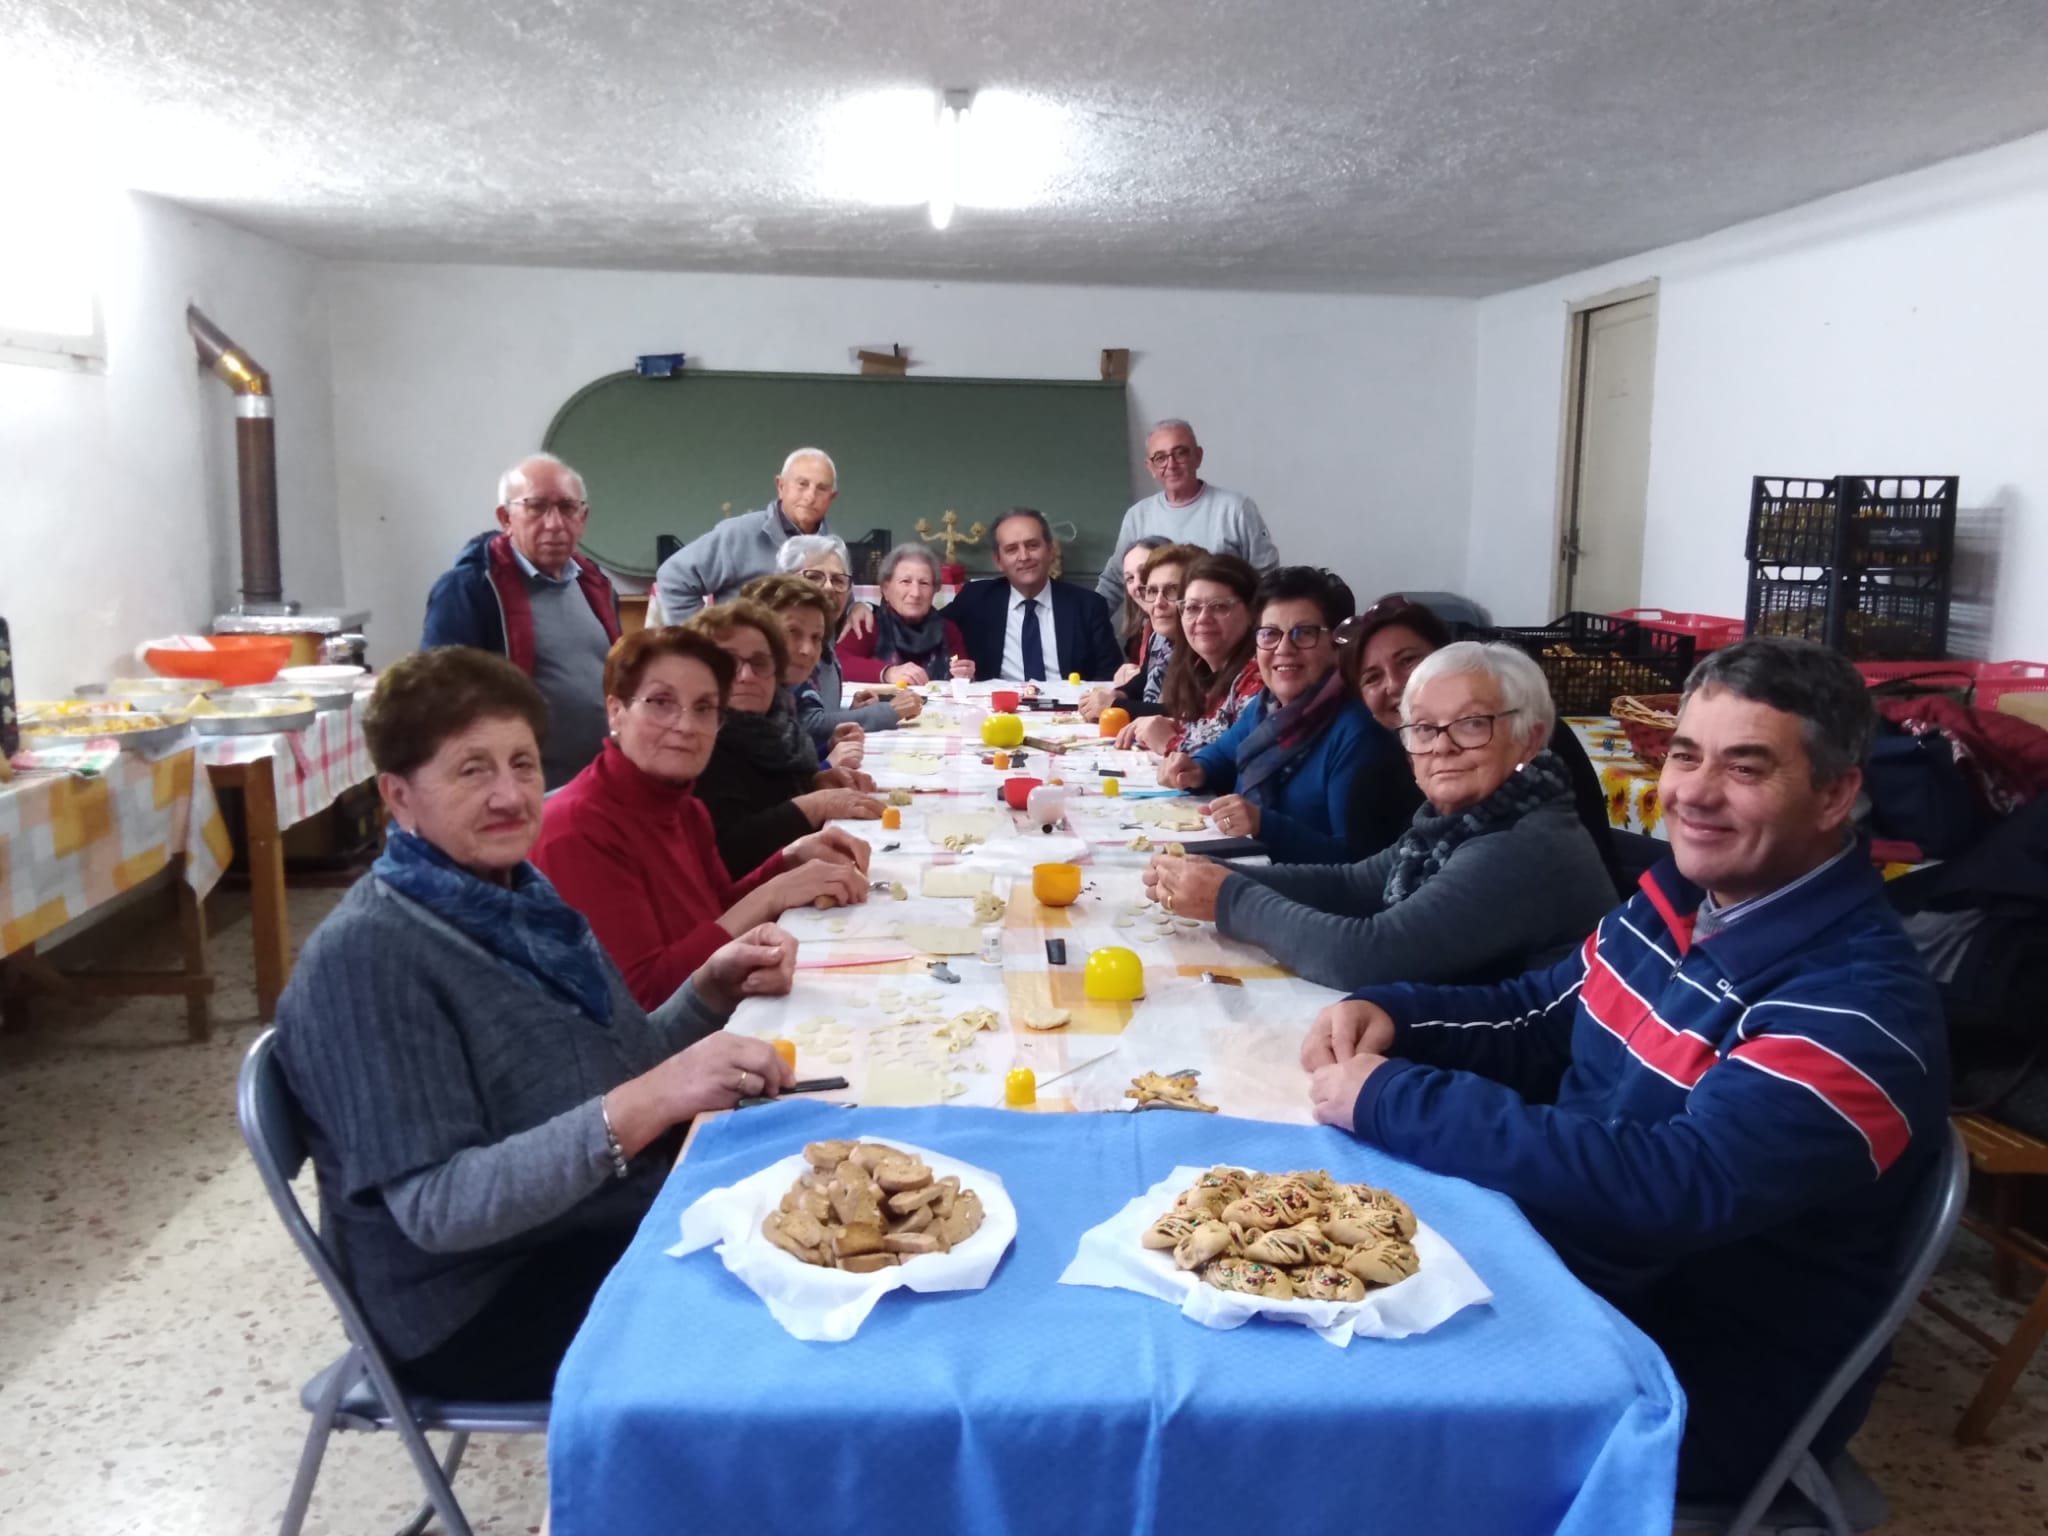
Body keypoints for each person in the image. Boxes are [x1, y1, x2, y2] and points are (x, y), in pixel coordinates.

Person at [1302, 638, 1949, 1499]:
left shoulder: (1857, 1010)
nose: (1694, 794)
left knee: (1307, 1413)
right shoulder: (1681, 900)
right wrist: (1396, 1014)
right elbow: (1543, 1019)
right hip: (1569, 1272)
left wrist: (1398, 1099)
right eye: (1685, 756)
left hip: (1676, 1378)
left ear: (1836, 794)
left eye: (1745, 768)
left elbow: (1671, 1187)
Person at [274, 647, 798, 1400]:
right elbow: (437, 1209)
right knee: (791, 1319)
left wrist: (707, 993)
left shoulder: (521, 894)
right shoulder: (372, 955)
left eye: (522, 764)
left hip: (580, 1218)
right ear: (399, 796)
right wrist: (647, 1103)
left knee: (825, 1218)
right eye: (471, 769)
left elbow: (625, 1060)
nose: (511, 794)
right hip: (474, 1302)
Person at [1144, 642, 1614, 991]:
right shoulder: (1463, 819)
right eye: (1424, 728)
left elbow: (1370, 954)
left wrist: (1230, 899)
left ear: (1530, 740)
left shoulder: (1525, 844)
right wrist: (1215, 873)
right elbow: (1353, 885)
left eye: (1472, 724)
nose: (1442, 746)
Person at [532, 627, 872, 1010]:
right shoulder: (578, 830)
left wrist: (788, 860)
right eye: (661, 702)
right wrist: (773, 892)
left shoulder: (684, 807)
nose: (685, 725)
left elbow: (714, 912)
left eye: (704, 708)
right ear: (616, 711)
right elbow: (645, 998)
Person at [1337, 594, 1625, 885]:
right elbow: (1361, 885)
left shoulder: (1532, 754)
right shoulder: (1372, 778)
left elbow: (1382, 929)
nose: (1396, 684)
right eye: (1372, 678)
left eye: (1408, 660)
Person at [1158, 566, 1388, 863]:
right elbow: (1224, 755)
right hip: (1253, 874)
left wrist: (1263, 825)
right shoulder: (1268, 707)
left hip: (1304, 898)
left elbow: (1358, 862)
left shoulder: (1356, 732)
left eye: (1304, 634)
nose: (1284, 649)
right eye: (1270, 634)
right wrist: (1195, 768)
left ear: (1337, 645)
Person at [421, 452, 621, 789]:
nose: (555, 523)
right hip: (519, 794)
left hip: (598, 783)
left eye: (567, 508)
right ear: (506, 517)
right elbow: (439, 701)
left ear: (583, 517)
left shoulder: (594, 584)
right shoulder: (469, 590)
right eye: (537, 507)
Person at [684, 599, 883, 874]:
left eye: (760, 663)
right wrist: (815, 804)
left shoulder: (775, 723)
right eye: (727, 662)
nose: (746, 675)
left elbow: (769, 797)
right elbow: (729, 851)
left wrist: (815, 783)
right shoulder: (700, 742)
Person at [1093, 420, 1279, 607]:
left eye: (1180, 453)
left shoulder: (1236, 509)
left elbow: (1267, 579)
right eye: (1160, 458)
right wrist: (1085, 623)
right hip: (1156, 630)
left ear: (1198, 456)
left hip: (1220, 628)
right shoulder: (1138, 516)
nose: (1171, 464)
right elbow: (1115, 580)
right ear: (1150, 467)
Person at [653, 447, 839, 620]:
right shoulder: (739, 534)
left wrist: (858, 606)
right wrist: (702, 641)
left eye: (822, 488)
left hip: (810, 653)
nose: (810, 496)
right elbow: (673, 577)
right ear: (781, 486)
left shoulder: (832, 547)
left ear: (832, 497)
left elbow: (838, 594)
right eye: (802, 484)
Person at [760, 536, 917, 740]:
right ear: (786, 581)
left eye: (837, 580)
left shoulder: (825, 639)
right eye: (814, 576)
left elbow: (815, 711)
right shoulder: (781, 644)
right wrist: (890, 711)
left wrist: (850, 710)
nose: (828, 588)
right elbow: (807, 724)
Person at [946, 508, 1123, 683]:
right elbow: (927, 625)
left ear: (1050, 550)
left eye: (1032, 545)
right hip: (997, 707)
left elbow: (1109, 675)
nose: (1024, 556)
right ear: (998, 561)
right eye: (1012, 549)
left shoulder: (1088, 606)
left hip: (1070, 708)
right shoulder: (975, 599)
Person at [1120, 552, 1264, 756]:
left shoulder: (1258, 674)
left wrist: (1171, 743)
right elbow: (1212, 732)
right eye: (1192, 608)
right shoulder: (1198, 668)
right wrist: (1177, 726)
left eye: (1219, 607)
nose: (1203, 618)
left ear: (1252, 612)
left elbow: (1241, 759)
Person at [1080, 542, 1203, 724]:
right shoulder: (1160, 638)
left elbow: (1188, 713)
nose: (1157, 603)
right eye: (1152, 591)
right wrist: (1119, 693)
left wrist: (1115, 705)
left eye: (1172, 590)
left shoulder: (1205, 647)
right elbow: (1144, 678)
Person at [837, 542, 974, 687]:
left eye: (924, 583)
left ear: (935, 590)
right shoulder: (869, 624)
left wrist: (966, 674)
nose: (915, 593)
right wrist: (887, 673)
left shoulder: (948, 630)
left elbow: (961, 676)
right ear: (885, 588)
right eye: (905, 581)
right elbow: (838, 663)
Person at [1112, 537, 1172, 672]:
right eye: (1130, 578)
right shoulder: (1142, 632)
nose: (1137, 584)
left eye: (1145, 572)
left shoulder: (1189, 630)